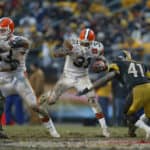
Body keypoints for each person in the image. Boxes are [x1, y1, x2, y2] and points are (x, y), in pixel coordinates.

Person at [40, 28, 110, 137]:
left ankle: (105, 130)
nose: (84, 45)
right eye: (83, 42)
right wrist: (63, 52)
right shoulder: (72, 43)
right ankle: (48, 95)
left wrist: (103, 64)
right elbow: (56, 53)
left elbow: (102, 59)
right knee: (51, 101)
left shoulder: (97, 47)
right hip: (67, 76)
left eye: (87, 43)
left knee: (93, 100)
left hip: (83, 77)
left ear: (92, 42)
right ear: (79, 39)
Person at [0, 17, 60, 138]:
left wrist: (9, 47)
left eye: (3, 30)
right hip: (2, 77)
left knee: (35, 106)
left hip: (18, 77)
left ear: (10, 30)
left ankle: (52, 129)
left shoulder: (19, 41)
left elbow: (14, 64)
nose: (1, 32)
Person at [78, 50, 150, 138]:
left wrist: (89, 88)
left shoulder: (118, 64)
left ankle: (147, 129)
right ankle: (132, 131)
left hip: (137, 89)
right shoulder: (141, 64)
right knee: (146, 115)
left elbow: (106, 78)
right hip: (148, 86)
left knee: (127, 114)